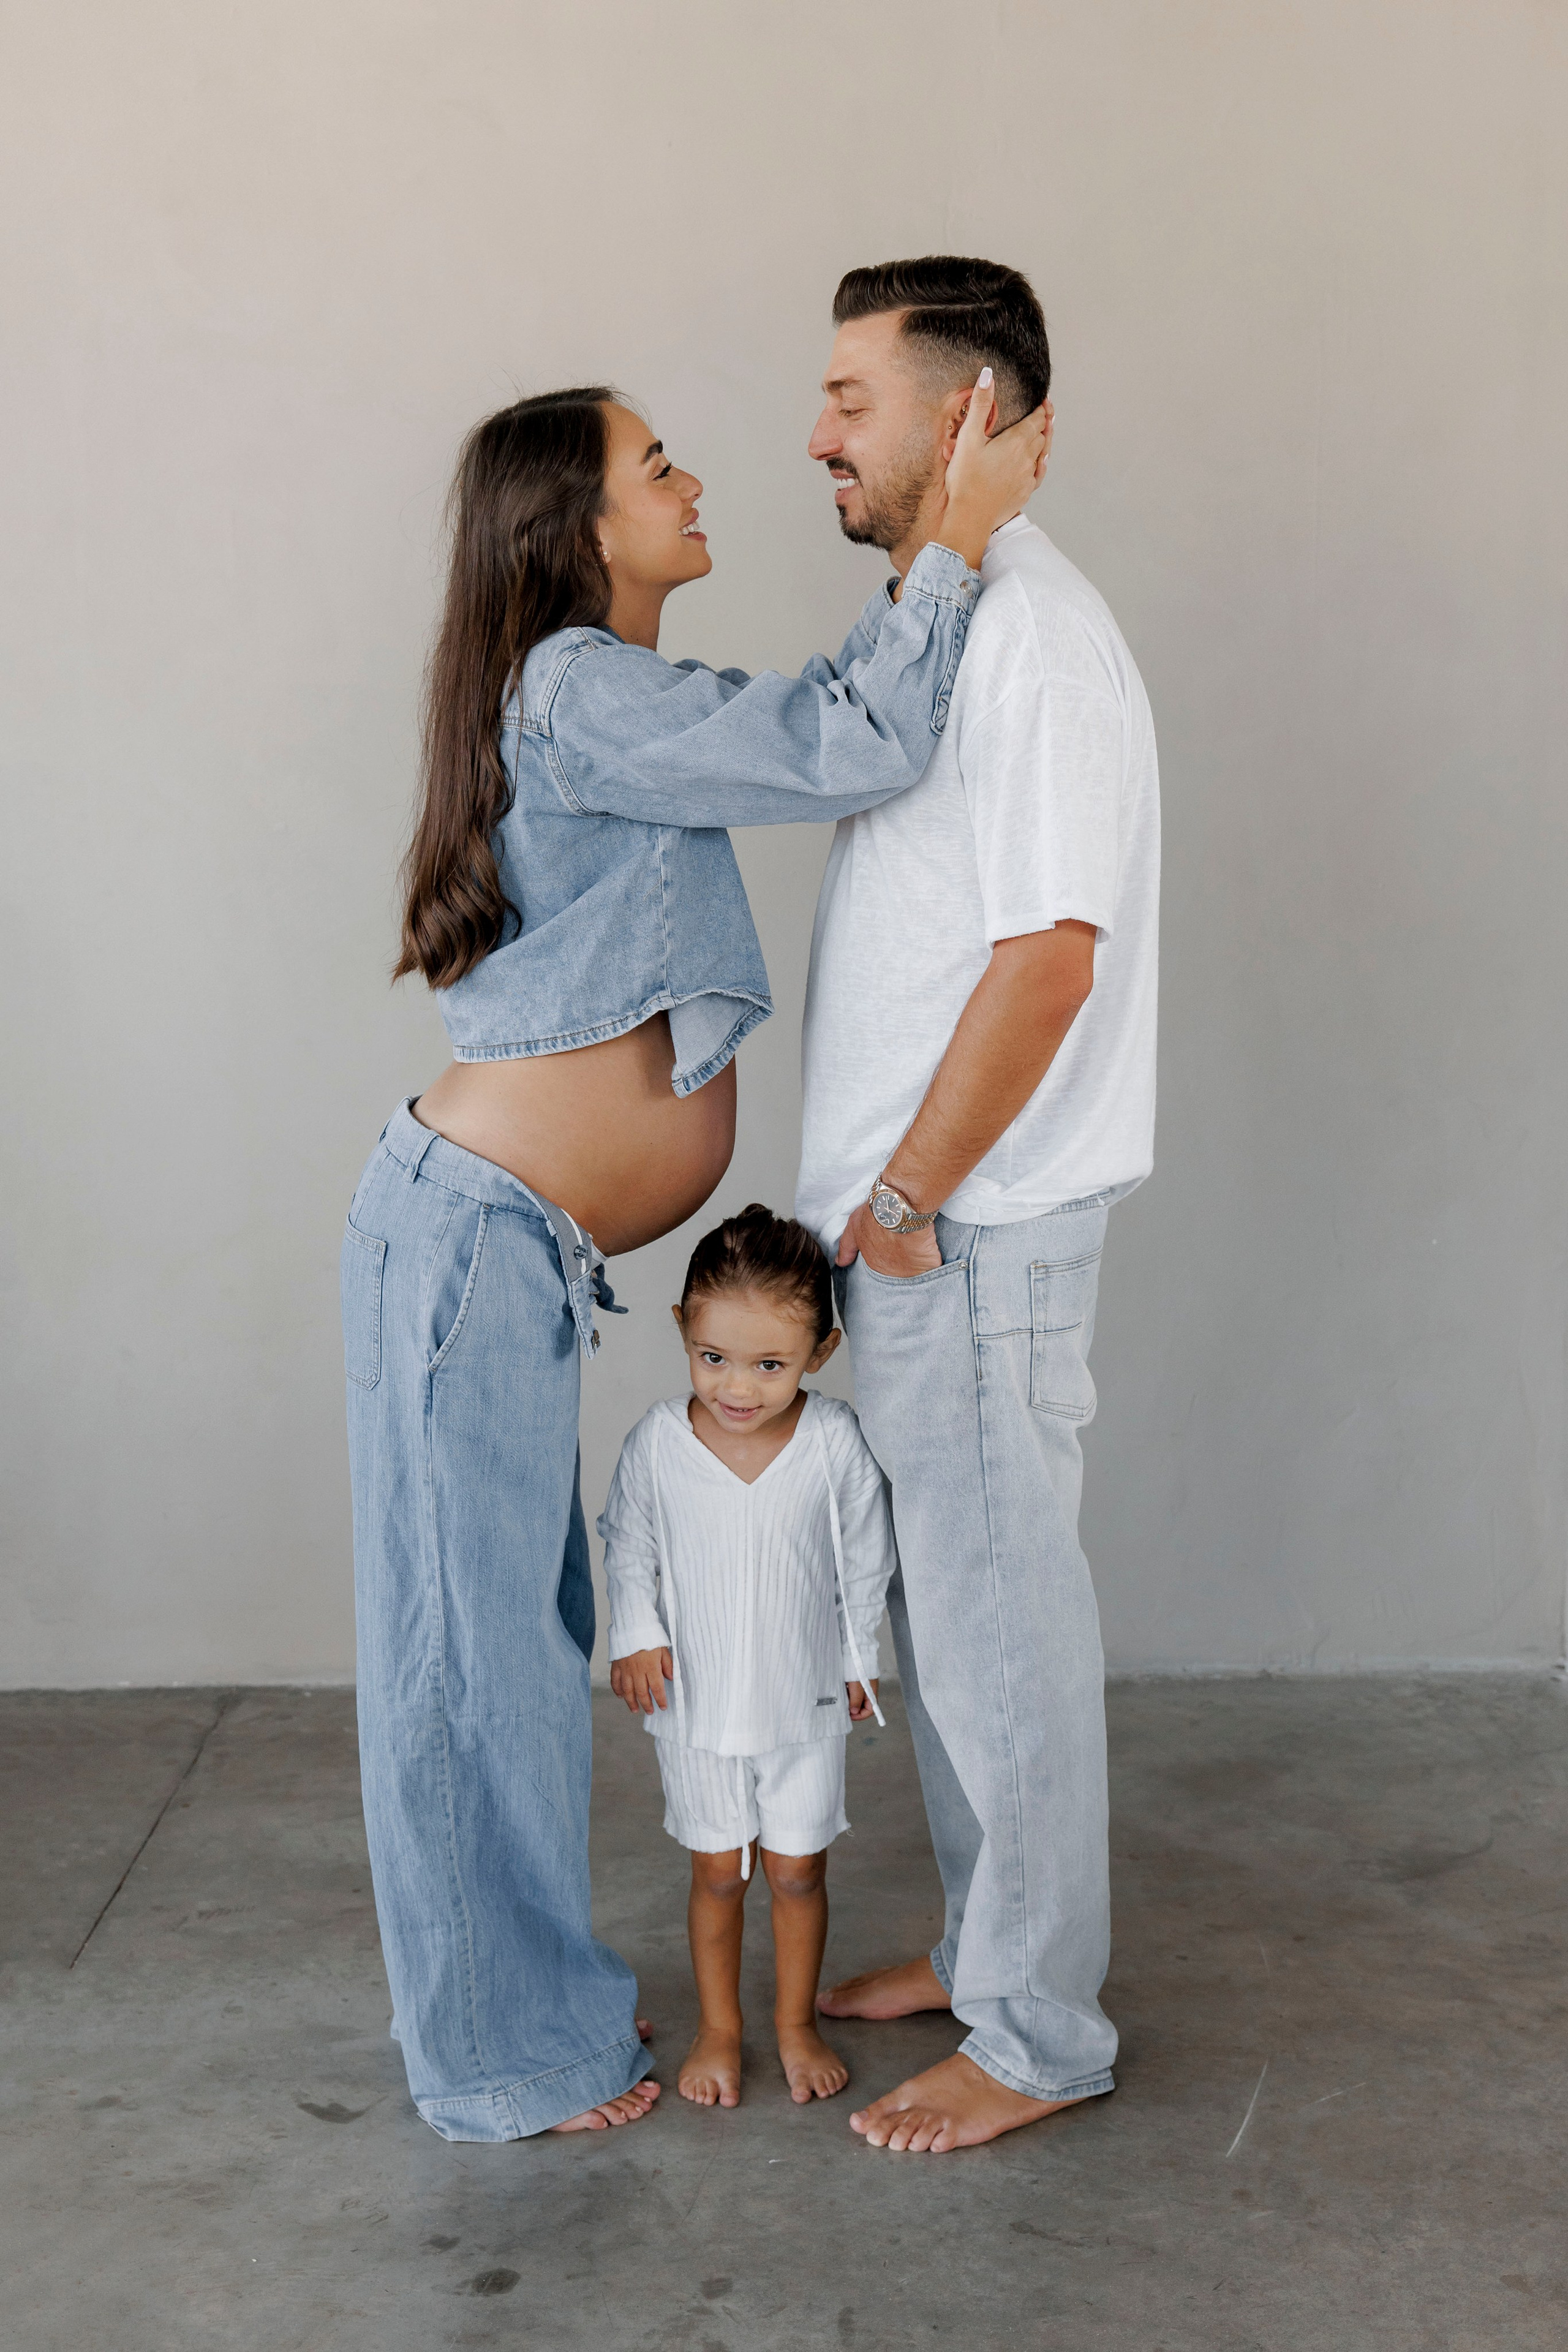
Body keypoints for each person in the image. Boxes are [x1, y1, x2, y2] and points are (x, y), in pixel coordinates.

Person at [340, 377, 1049, 2141]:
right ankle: (498, 2060)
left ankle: (526, 2015)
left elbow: (809, 732)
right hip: (464, 1250)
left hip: (495, 1257)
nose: (697, 477)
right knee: (467, 1671)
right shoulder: (578, 686)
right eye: (656, 466)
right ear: (575, 532)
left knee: (510, 1646)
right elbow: (842, 739)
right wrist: (952, 543)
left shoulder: (597, 696)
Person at [796, 256, 1161, 2154]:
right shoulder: (963, 619)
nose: (816, 433)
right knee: (960, 1615)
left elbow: (1047, 962)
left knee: (1005, 1621)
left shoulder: (1034, 638)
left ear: (967, 414)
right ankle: (985, 1938)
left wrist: (913, 1196)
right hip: (930, 1232)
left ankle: (1037, 2030)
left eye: (852, 398)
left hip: (973, 1225)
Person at [600, 1205, 896, 2111]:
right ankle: (721, 2028)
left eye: (770, 1364)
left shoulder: (833, 1442)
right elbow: (628, 1545)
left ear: (821, 1350)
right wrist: (637, 1634)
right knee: (718, 1872)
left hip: (801, 1701)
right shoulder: (658, 1446)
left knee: (799, 1869)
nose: (739, 1386)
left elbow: (865, 1554)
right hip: (696, 1706)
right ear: (684, 1330)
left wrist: (859, 1657)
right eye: (714, 1357)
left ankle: (794, 2021)